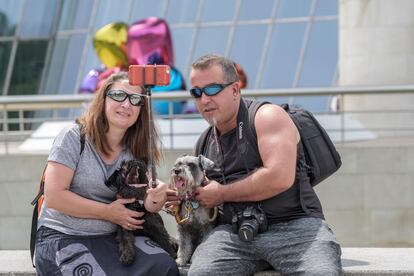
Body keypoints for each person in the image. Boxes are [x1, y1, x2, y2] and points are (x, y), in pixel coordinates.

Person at [167, 55, 342, 276]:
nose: (204, 99)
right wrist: (183, 196)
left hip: (295, 227)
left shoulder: (267, 117)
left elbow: (279, 177)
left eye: (212, 89)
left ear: (235, 90)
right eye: (196, 92)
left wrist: (220, 193)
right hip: (232, 233)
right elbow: (203, 199)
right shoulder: (203, 142)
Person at [35, 72, 179, 276]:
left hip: (113, 238)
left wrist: (156, 196)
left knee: (165, 268)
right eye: (119, 95)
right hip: (63, 236)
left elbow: (147, 204)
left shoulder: (137, 147)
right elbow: (54, 196)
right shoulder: (74, 137)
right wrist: (107, 212)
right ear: (103, 99)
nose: (127, 104)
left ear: (141, 108)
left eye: (135, 99)